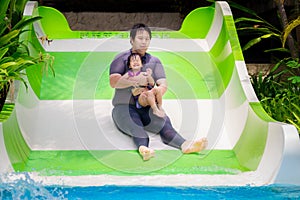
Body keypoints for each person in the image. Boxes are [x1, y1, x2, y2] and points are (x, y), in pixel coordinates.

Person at [109, 23, 208, 161]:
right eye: (140, 38)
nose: (144, 42)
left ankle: (185, 145)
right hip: (124, 108)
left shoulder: (154, 61)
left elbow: (163, 84)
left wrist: (157, 91)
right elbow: (114, 81)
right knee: (136, 127)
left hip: (147, 106)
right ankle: (144, 149)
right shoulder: (121, 58)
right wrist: (135, 81)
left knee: (164, 124)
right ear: (131, 40)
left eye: (147, 39)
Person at [124, 52, 165, 118]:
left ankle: (160, 107)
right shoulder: (129, 74)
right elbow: (122, 81)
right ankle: (155, 109)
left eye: (137, 60)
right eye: (133, 61)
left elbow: (152, 83)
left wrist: (149, 76)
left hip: (149, 93)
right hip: (139, 98)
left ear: (141, 64)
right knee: (148, 94)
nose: (135, 62)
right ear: (129, 65)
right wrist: (132, 83)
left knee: (157, 89)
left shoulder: (144, 74)